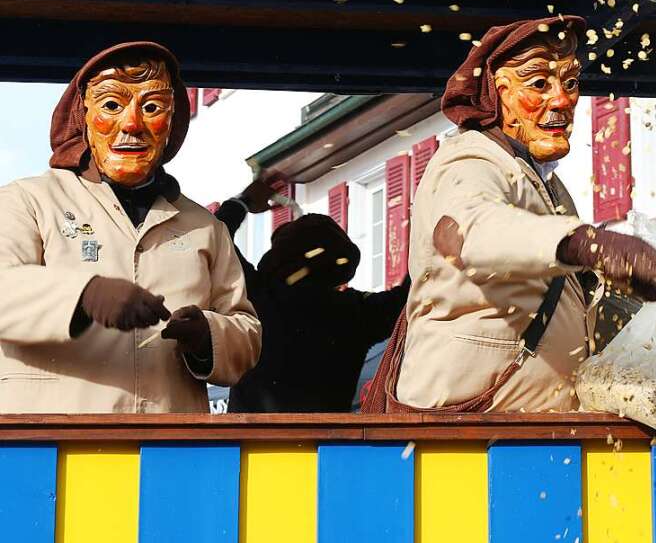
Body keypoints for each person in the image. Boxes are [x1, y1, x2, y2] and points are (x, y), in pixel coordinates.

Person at [366, 15, 656, 413]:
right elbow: (474, 232)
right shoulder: (469, 159)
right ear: (498, 95)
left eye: (569, 83)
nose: (561, 101)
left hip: (528, 424)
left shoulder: (544, 182)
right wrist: (585, 244)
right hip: (466, 431)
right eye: (538, 85)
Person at [0, 41, 261, 413]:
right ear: (82, 116)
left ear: (172, 123)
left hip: (166, 450)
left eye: (153, 107)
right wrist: (85, 296)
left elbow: (246, 331)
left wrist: (207, 335)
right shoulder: (28, 201)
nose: (133, 125)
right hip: (53, 450)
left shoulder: (203, 226)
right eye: (111, 106)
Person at [215, 182, 408, 412]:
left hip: (249, 441)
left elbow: (217, 233)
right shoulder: (354, 312)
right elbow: (410, 296)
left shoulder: (256, 294)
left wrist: (243, 201)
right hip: (326, 443)